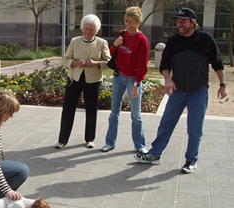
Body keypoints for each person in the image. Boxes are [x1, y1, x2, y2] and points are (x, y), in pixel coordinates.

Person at [134, 8, 228, 173]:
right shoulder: (174, 41)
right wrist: (168, 79)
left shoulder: (205, 39)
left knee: (194, 128)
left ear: (192, 22)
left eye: (183, 21)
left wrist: (223, 85)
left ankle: (191, 160)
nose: (179, 25)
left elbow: (217, 63)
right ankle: (155, 154)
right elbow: (164, 65)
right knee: (166, 124)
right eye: (178, 21)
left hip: (198, 91)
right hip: (177, 91)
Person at [55, 14, 111, 149]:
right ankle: (62, 139)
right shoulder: (75, 41)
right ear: (82, 28)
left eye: (91, 29)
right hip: (74, 79)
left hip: (93, 80)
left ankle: (90, 139)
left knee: (92, 110)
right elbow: (65, 60)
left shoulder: (102, 43)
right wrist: (74, 62)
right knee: (68, 109)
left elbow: (109, 62)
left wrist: (97, 63)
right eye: (85, 28)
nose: (87, 32)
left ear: (96, 30)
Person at [101, 6, 149, 153]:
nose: (128, 24)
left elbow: (143, 66)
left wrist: (136, 85)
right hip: (119, 77)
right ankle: (110, 142)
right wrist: (115, 45)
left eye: (131, 22)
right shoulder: (121, 35)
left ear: (138, 22)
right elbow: (110, 54)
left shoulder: (142, 40)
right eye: (126, 21)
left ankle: (140, 145)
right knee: (114, 112)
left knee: (136, 115)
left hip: (133, 79)